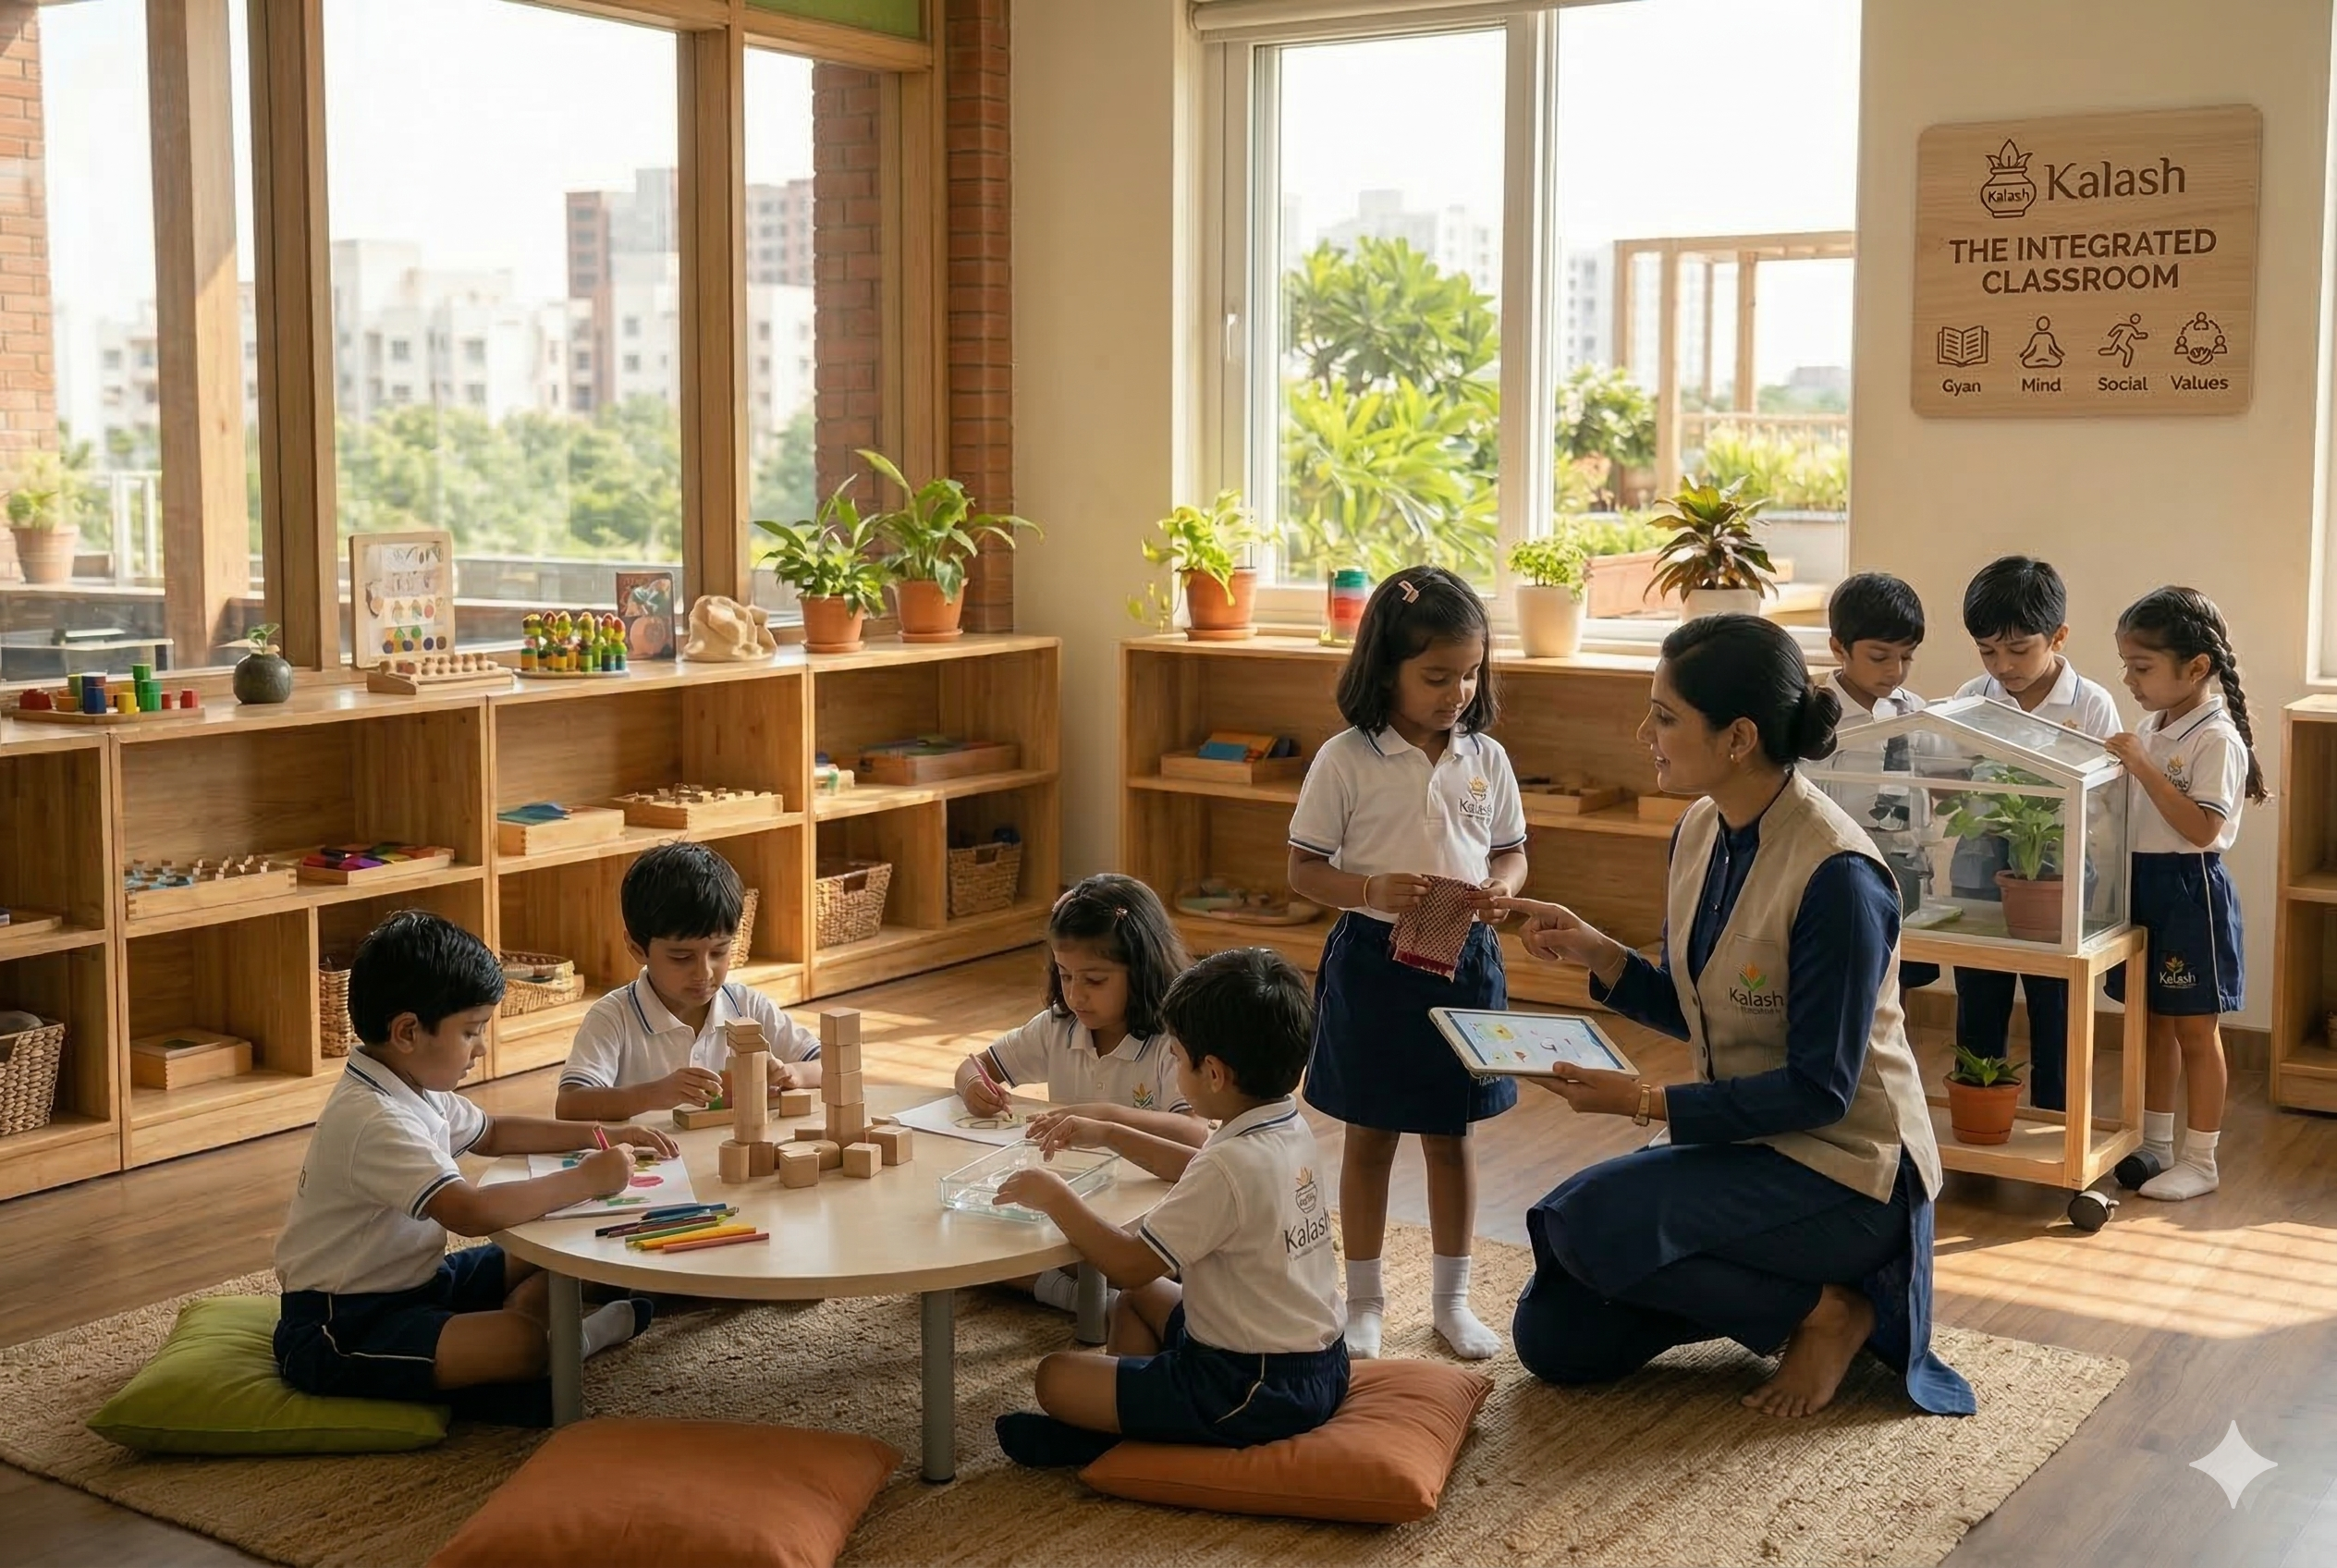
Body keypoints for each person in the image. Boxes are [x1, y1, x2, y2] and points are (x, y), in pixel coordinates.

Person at [1499, 615, 1973, 1419]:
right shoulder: (1701, 828)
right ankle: (1776, 1296)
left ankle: (1829, 1312)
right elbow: (1711, 1007)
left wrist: (1644, 1103)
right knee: (1556, 1337)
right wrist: (1599, 954)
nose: (1644, 731)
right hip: (1749, 1144)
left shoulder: (1839, 878)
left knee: (1583, 1218)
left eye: (1666, 716)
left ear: (1738, 738)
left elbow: (1820, 1092)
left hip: (1848, 1175)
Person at [275, 912, 673, 1426]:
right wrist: (585, 1179)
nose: (481, 1048)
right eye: (471, 1031)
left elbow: (494, 1132)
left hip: (420, 1283)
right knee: (521, 1342)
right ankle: (569, 1345)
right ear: (407, 1032)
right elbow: (470, 1212)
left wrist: (603, 1134)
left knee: (554, 1245)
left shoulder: (410, 1084)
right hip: (344, 1324)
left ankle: (528, 1339)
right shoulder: (375, 1119)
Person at [1285, 564, 1526, 1361]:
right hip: (1373, 964)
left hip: (1465, 960)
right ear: (1384, 666)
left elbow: (1512, 852)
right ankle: (1364, 1302)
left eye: (1468, 674)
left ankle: (1453, 1303)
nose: (1455, 691)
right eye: (1435, 676)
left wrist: (1502, 888)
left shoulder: (1485, 757)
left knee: (1452, 1135)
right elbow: (1303, 869)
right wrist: (1366, 886)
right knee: (1371, 1135)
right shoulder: (1344, 760)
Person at [986, 948, 1347, 1468]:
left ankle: (1121, 1435)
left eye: (1177, 1058)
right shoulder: (1283, 1124)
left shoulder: (1229, 1167)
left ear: (1215, 1074)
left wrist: (1054, 1196)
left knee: (1055, 1377)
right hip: (1317, 1363)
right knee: (1138, 1303)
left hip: (1250, 1386)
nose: (1175, 1068)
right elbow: (1195, 1162)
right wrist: (1109, 1132)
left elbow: (1129, 1263)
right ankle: (1130, 1414)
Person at [956, 874, 1206, 1312]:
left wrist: (1105, 1118)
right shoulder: (1057, 1027)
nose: (1075, 994)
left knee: (1145, 1258)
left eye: (1094, 980)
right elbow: (975, 1065)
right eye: (1065, 975)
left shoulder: (1172, 1042)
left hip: (1146, 1218)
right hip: (1075, 1202)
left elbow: (1193, 1135)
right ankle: (1080, 1298)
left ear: (1141, 968)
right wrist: (975, 1085)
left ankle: (1086, 1292)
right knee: (968, 1243)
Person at [2105, 587, 2266, 1201]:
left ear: (2196, 667)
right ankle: (2157, 1144)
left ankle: (2201, 1159)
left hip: (2189, 891)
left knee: (2195, 1031)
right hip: (2144, 882)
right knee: (2151, 1025)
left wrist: (2143, 766)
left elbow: (2203, 828)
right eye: (2126, 665)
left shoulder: (2216, 738)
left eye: (2141, 667)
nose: (2130, 680)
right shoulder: (2154, 724)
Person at [1952, 557, 2121, 1112]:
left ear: (2059, 636)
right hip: (1983, 865)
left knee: (2059, 1005)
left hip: (2062, 870)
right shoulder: (1973, 696)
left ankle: (2056, 1127)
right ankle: (1980, 1120)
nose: (2003, 665)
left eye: (2019, 649)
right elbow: (1954, 781)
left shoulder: (2091, 704)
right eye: (1987, 650)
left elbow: (2106, 802)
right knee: (1979, 999)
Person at [556, 843, 822, 1123]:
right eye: (681, 957)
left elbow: (828, 1065)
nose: (704, 973)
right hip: (653, 1161)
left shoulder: (748, 1006)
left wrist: (794, 1074)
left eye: (719, 952)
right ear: (636, 949)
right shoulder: (613, 1018)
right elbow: (571, 1105)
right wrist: (654, 1094)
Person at [1822, 571, 1941, 992]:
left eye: (1907, 657)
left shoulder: (1914, 712)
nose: (1895, 670)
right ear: (1839, 647)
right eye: (1879, 656)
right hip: (1835, 874)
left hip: (1902, 871)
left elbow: (1940, 775)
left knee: (1898, 983)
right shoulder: (1816, 715)